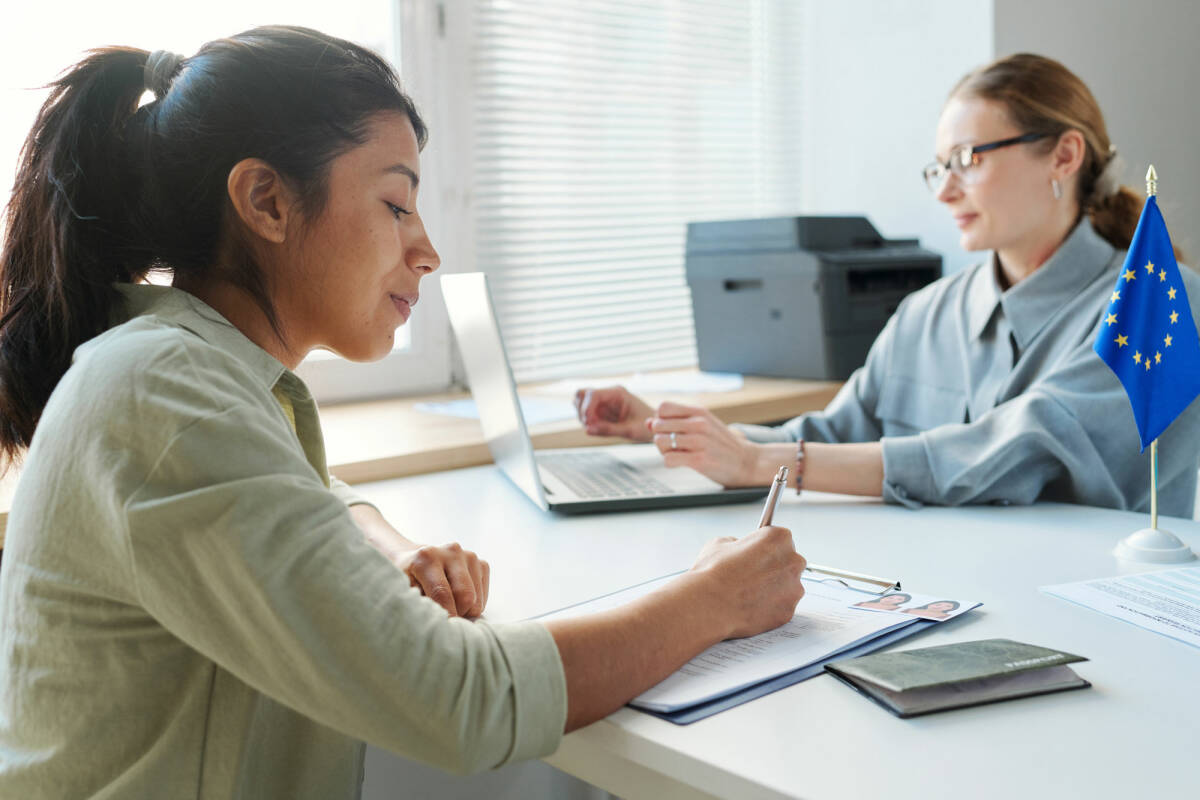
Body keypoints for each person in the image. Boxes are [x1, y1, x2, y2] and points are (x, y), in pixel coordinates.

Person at [0, 28, 808, 798]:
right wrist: (716, 598)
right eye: (395, 204)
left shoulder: (183, 371)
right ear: (266, 202)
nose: (426, 249)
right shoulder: (165, 395)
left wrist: (395, 549)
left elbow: (308, 492)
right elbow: (462, 696)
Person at [576, 53, 1200, 517]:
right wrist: (665, 426)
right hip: (935, 598)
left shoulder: (1160, 305)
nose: (945, 190)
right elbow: (829, 437)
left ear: (1064, 156)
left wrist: (766, 464)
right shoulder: (924, 315)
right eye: (939, 167)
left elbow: (1016, 447)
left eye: (969, 160)